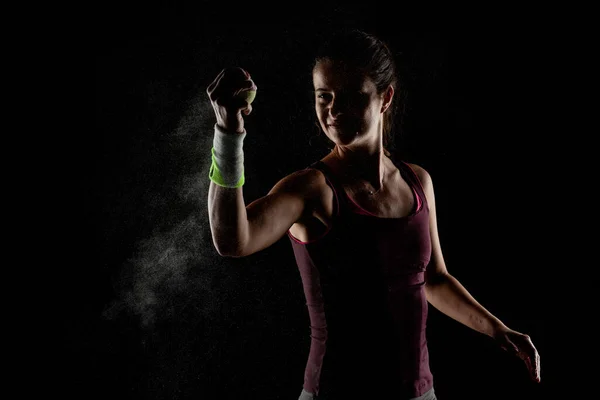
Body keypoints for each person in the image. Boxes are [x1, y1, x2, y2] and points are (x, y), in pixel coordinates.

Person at [206, 29, 540, 400]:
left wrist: (498, 329)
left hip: (418, 392)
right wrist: (228, 134)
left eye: (350, 97)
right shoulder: (312, 189)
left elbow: (433, 279)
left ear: (385, 97)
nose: (333, 110)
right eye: (324, 96)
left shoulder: (417, 182)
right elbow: (233, 240)